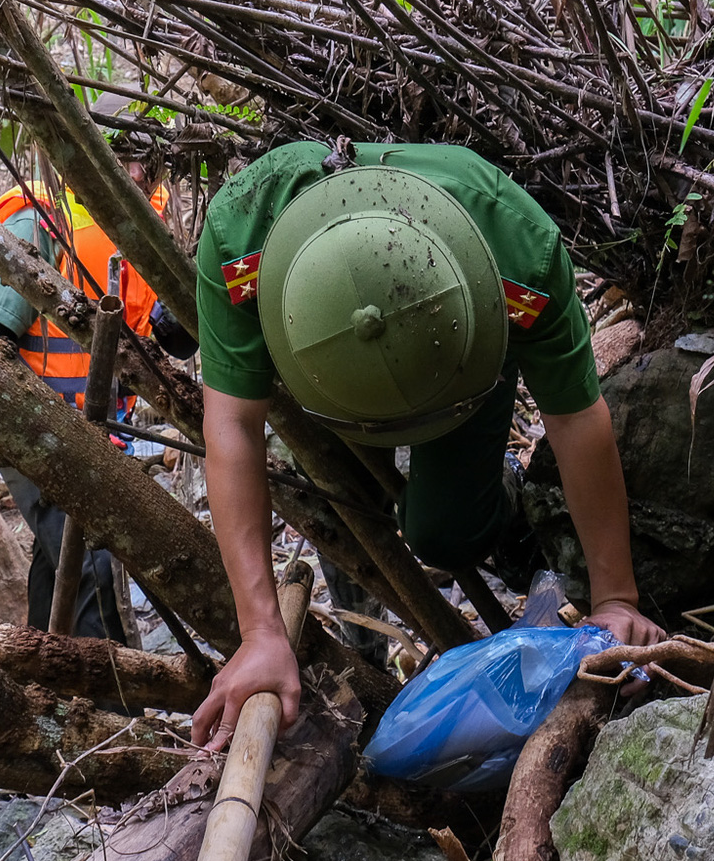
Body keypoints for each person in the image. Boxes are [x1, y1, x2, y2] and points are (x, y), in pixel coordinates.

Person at [190, 140, 666, 748]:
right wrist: (260, 632)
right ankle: (358, 646)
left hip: (459, 369)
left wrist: (616, 596)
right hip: (321, 384)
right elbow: (232, 424)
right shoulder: (242, 231)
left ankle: (500, 494)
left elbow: (575, 417)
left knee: (446, 535)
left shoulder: (518, 252)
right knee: (335, 499)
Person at [0, 160, 194, 640]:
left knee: (58, 566)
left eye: (149, 168)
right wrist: (32, 428)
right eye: (126, 162)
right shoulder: (42, 220)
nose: (137, 177)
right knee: (93, 563)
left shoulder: (144, 230)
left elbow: (177, 340)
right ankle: (113, 700)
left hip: (103, 432)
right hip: (37, 429)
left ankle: (45, 672)